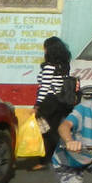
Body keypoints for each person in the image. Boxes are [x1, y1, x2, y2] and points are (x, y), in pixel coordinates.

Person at [32, 36, 73, 170]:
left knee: (46, 131)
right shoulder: (64, 66)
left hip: (48, 102)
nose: (43, 51)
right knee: (52, 130)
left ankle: (59, 155)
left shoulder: (49, 67)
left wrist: (37, 104)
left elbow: (45, 87)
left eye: (44, 48)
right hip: (60, 102)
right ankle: (49, 159)